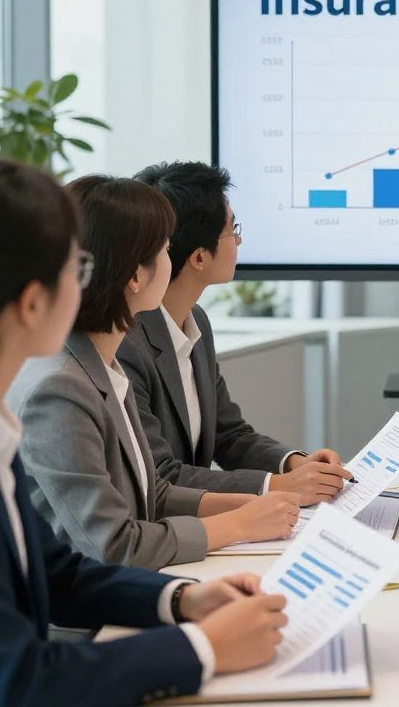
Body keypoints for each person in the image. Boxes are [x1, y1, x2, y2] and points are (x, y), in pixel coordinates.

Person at [0, 159, 289, 707]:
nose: (86, 281)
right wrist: (202, 649)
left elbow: (59, 571)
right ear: (34, 302)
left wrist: (180, 603)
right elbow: (18, 681)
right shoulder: (45, 391)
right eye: (77, 267)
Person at [9, 175, 302, 569]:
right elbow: (115, 546)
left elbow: (153, 494)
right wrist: (238, 524)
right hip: (90, 622)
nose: (172, 258)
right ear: (134, 276)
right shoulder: (60, 388)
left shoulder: (100, 361)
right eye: (165, 249)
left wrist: (257, 504)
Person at [118, 162, 350, 506]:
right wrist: (277, 487)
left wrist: (295, 464)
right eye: (232, 229)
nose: (239, 239)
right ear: (199, 257)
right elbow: (161, 475)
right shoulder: (125, 344)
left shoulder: (195, 321)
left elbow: (229, 435)